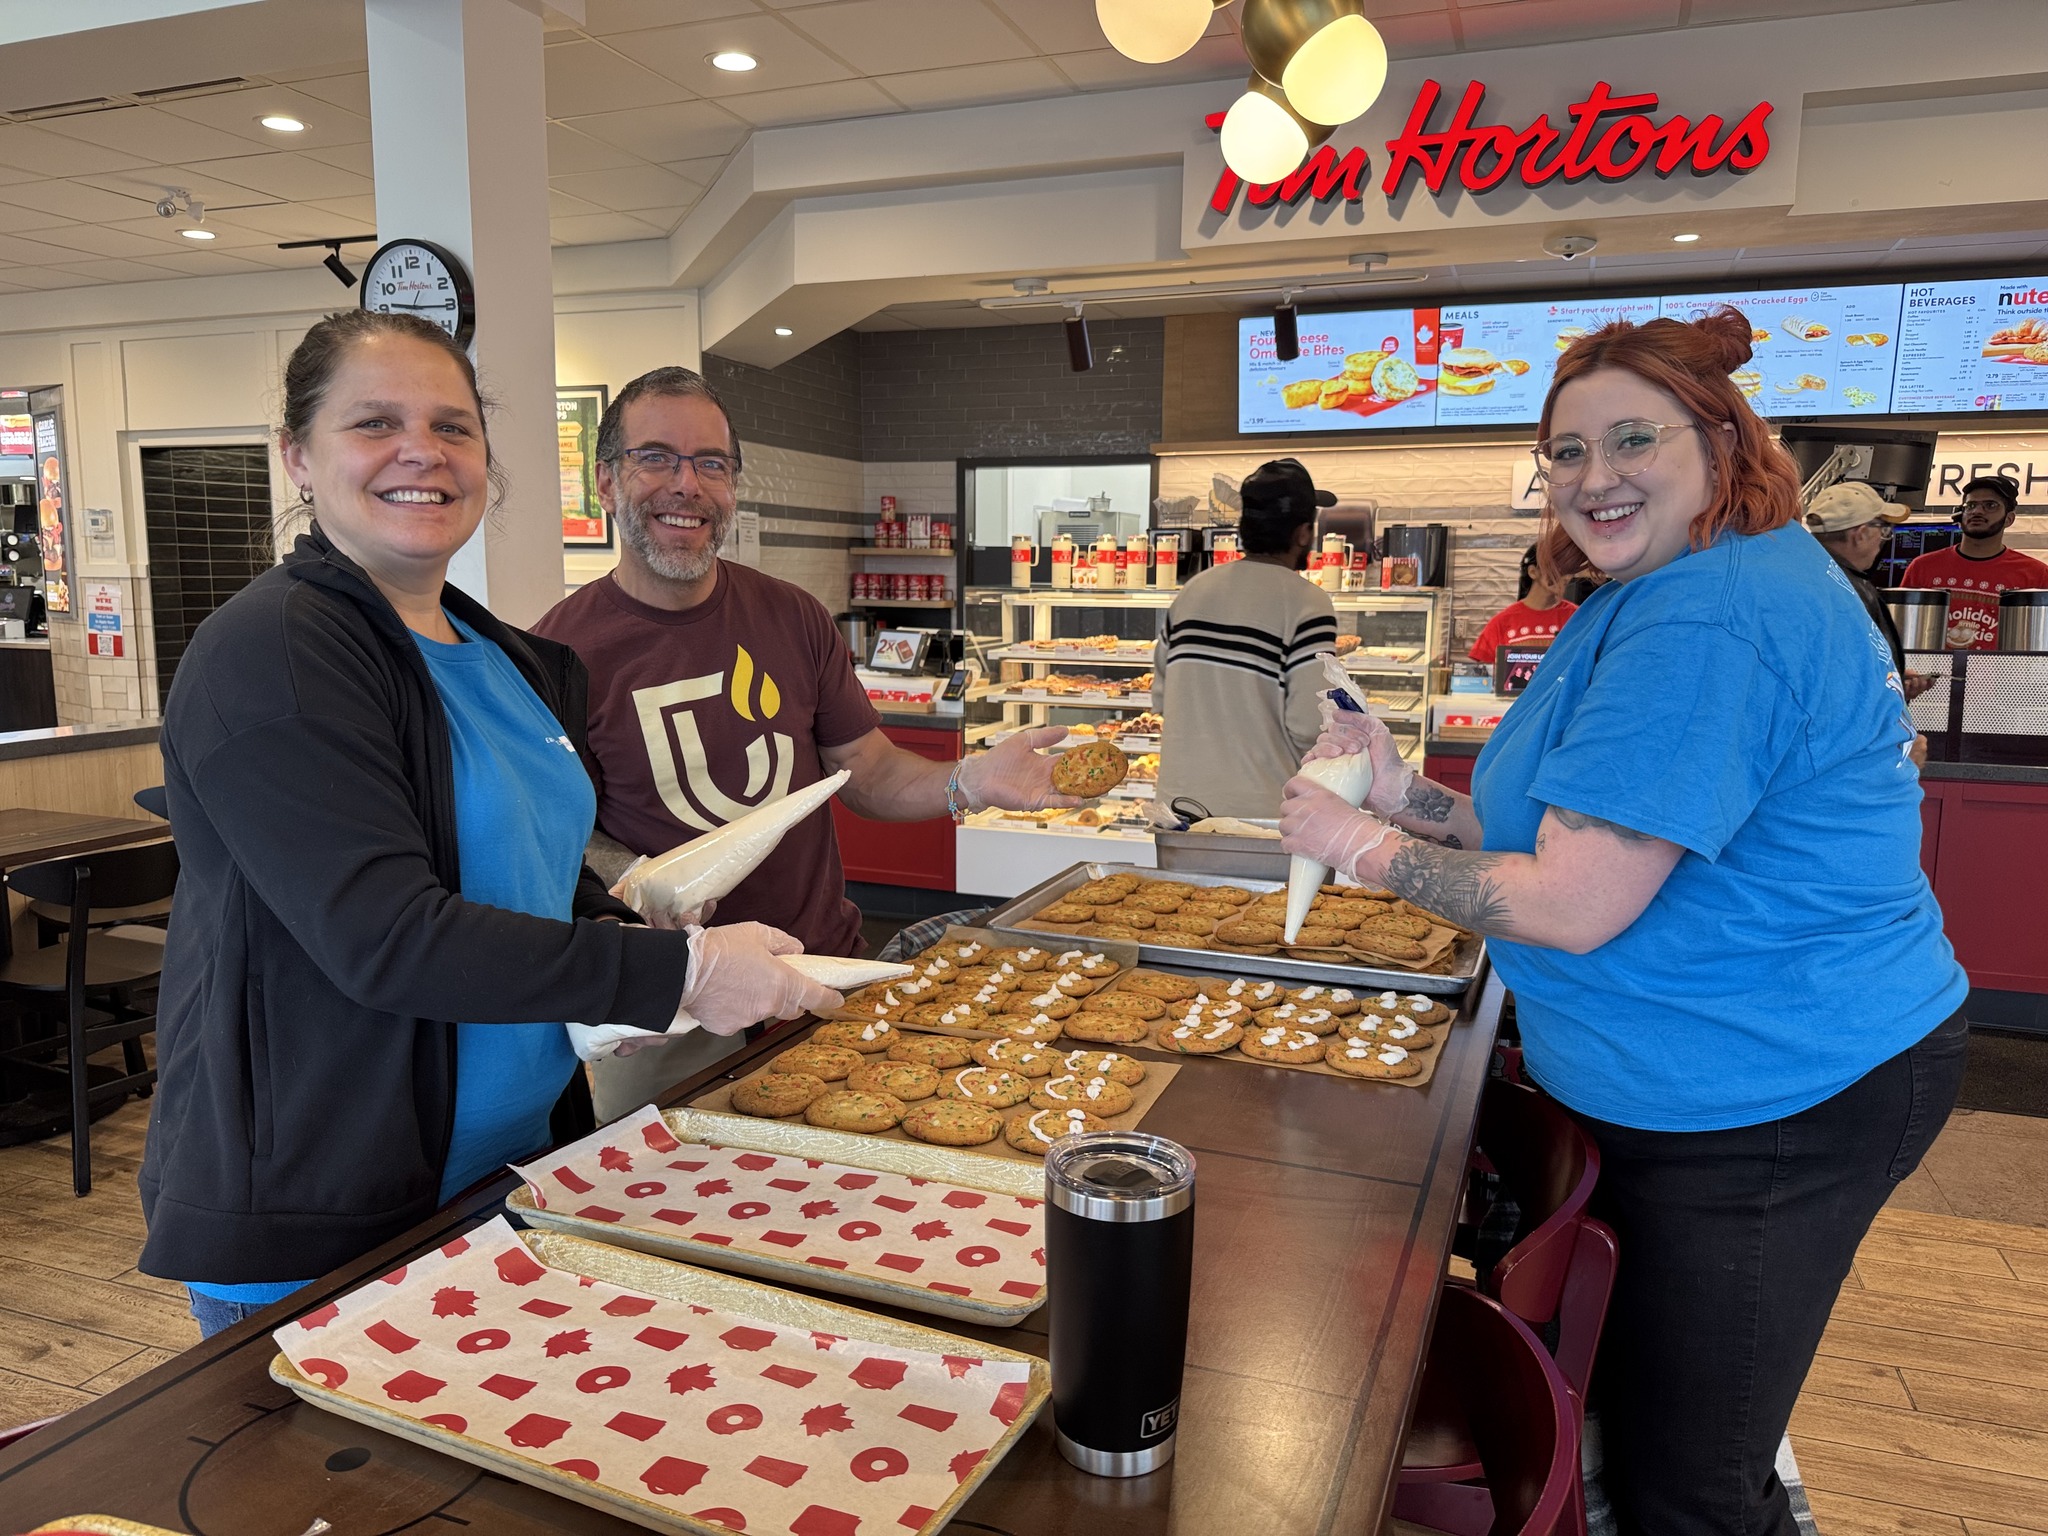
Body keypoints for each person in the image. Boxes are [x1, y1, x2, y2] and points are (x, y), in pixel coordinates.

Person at [1279, 308, 1967, 1536]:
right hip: (1714, 1074)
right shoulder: (1664, 587)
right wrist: (1404, 795)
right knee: (1666, 1425)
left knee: (1687, 1483)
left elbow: (1570, 903)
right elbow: (1556, 832)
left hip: (1768, 1098)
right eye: (1566, 451)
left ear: (1719, 442)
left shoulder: (1707, 618)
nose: (1593, 478)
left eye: (1631, 440)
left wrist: (1357, 849)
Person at [139, 313, 837, 1339]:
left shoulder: (510, 658)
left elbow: (524, 877)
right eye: (375, 423)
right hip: (328, 1202)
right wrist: (678, 977)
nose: (421, 452)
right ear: (296, 454)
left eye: (452, 427)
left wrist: (617, 919)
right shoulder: (274, 651)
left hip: (514, 1168)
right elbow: (383, 937)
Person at [531, 366, 1072, 1117]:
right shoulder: (552, 656)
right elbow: (555, 839)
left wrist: (971, 780)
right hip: (675, 1018)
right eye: (655, 457)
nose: (686, 484)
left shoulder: (792, 616)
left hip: (822, 980)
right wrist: (639, 882)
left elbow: (871, 773)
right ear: (606, 482)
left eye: (711, 463)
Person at [1153, 457, 1338, 818]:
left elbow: (1162, 698)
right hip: (1261, 818)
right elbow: (1310, 725)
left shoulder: (1193, 590)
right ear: (1302, 533)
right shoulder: (1307, 602)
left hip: (1176, 810)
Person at [1804, 480, 1934, 701]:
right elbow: (1847, 685)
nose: (1883, 540)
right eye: (1884, 529)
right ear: (1861, 534)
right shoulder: (1849, 591)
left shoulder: (1805, 575)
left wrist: (1894, 682)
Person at [1901, 473, 2048, 649]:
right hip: (1930, 675)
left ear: (2009, 519)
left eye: (1990, 505)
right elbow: (1899, 631)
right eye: (1971, 505)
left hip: (2002, 676)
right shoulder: (1922, 567)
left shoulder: (2036, 574)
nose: (1977, 511)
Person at [1467, 543, 1577, 664]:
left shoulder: (1578, 617)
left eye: (1569, 569)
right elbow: (1480, 674)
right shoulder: (1502, 622)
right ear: (1533, 572)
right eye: (1557, 568)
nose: (1566, 576)